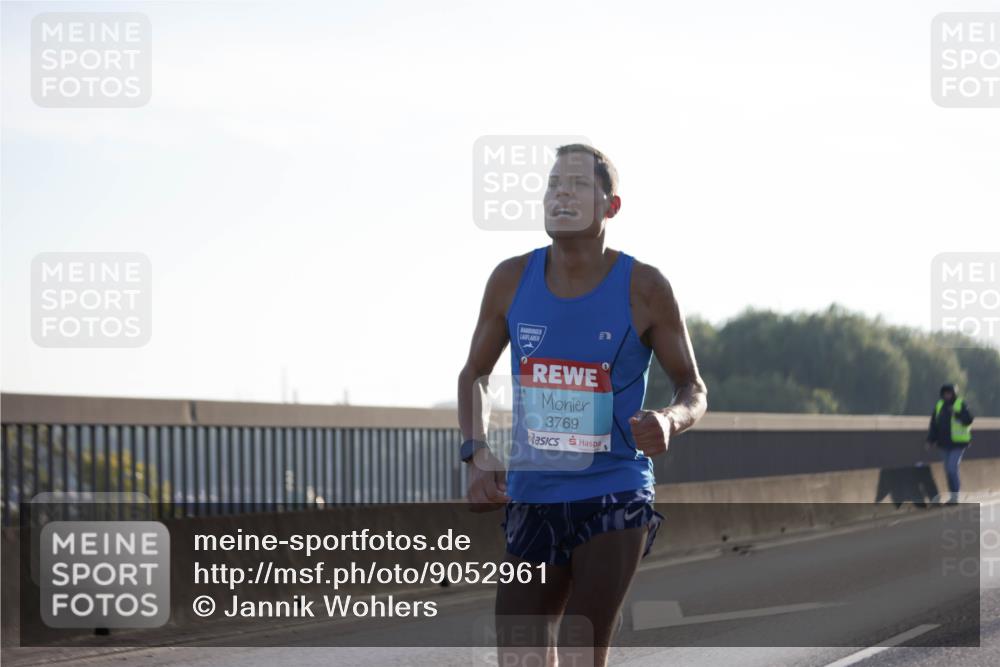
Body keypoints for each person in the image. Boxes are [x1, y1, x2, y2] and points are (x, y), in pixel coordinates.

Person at [456, 144, 708, 667]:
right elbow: (473, 374)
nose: (560, 193)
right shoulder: (510, 280)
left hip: (614, 492)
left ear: (610, 206)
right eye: (552, 185)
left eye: (576, 184)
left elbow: (693, 387)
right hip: (534, 495)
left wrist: (669, 418)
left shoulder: (644, 287)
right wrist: (475, 451)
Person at [925, 383, 974, 504]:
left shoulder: (960, 404)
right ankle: (952, 496)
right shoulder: (939, 405)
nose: (947, 395)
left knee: (952, 468)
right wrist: (930, 440)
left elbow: (969, 420)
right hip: (944, 444)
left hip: (958, 444)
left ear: (954, 394)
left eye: (949, 393)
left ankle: (955, 496)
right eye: (945, 393)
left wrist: (956, 414)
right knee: (948, 470)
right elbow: (934, 425)